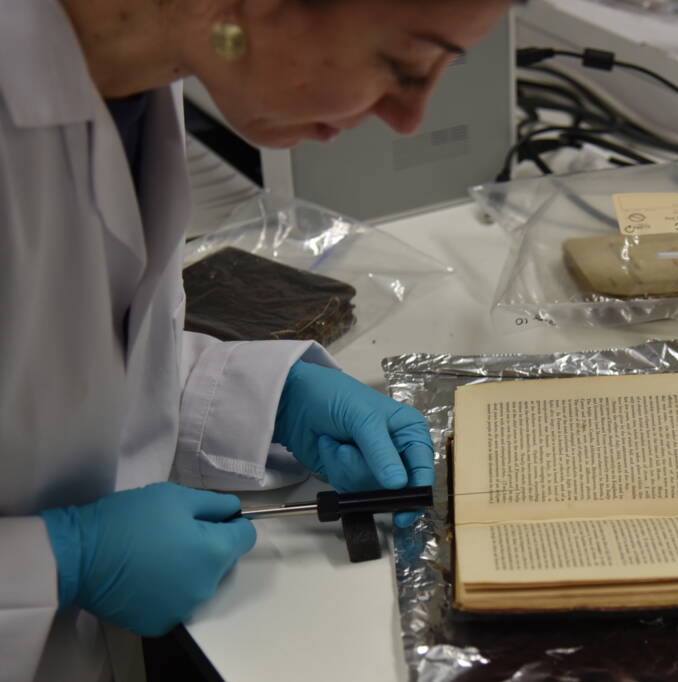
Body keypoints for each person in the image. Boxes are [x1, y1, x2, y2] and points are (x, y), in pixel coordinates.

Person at [0, 0, 513, 679]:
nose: (409, 119)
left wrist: (264, 398)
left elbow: (59, 359)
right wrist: (49, 566)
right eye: (404, 65)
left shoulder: (137, 73)